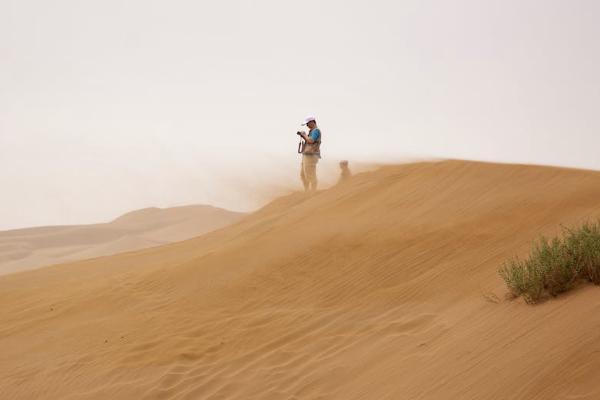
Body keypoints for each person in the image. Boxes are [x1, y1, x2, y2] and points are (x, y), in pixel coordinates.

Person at [297, 115, 322, 192]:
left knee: (310, 174)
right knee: (303, 175)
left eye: (308, 123)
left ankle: (313, 192)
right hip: (307, 155)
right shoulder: (312, 131)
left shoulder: (316, 131)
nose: (307, 125)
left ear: (312, 122)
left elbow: (311, 141)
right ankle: (307, 191)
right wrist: (303, 135)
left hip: (311, 155)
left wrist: (304, 135)